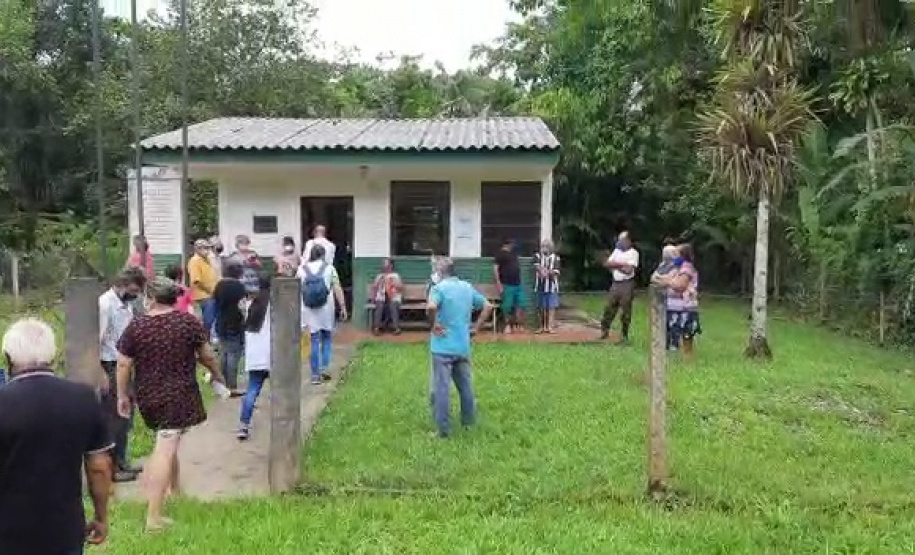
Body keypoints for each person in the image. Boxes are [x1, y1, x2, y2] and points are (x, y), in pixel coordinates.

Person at [116, 277, 227, 532]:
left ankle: (175, 492)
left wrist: (122, 395)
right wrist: (218, 377)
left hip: (148, 395)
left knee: (168, 439)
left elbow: (123, 363)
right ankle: (153, 517)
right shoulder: (188, 322)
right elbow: (207, 355)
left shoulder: (137, 326)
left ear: (151, 298)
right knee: (165, 449)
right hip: (179, 394)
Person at [0, 318, 113, 554]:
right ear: (53, 356)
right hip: (64, 527)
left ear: (8, 359)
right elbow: (99, 467)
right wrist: (101, 516)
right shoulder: (83, 399)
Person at [427, 257, 493, 438]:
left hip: (442, 347)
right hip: (462, 346)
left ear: (440, 272)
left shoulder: (438, 289)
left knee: (441, 389)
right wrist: (476, 328)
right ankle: (468, 423)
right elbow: (487, 306)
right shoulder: (466, 287)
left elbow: (431, 307)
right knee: (465, 387)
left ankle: (443, 430)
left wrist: (433, 325)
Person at [98, 267, 148, 483]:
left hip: (125, 364)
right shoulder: (106, 305)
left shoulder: (124, 305)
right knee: (116, 416)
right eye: (134, 289)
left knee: (126, 416)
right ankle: (114, 467)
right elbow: (97, 339)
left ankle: (122, 460)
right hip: (110, 364)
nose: (136, 294)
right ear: (123, 284)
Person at [298, 243, 347, 385]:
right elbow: (337, 287)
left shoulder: (302, 270)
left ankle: (314, 375)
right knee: (326, 337)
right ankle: (324, 368)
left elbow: (296, 289)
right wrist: (343, 306)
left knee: (313, 339)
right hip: (326, 308)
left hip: (307, 309)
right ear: (323, 255)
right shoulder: (329, 269)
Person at [237, 274, 272, 440]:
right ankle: (281, 423)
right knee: (280, 391)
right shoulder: (276, 306)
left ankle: (243, 425)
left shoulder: (252, 305)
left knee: (252, 390)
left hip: (255, 355)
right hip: (274, 354)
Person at [213, 262, 248, 396]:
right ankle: (232, 386)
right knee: (234, 354)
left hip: (221, 321)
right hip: (235, 322)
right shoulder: (239, 287)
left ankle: (221, 383)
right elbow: (242, 306)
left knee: (224, 353)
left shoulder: (219, 285)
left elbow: (215, 301)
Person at [661, 244, 701, 356]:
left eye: (676, 253)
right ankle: (675, 356)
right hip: (673, 306)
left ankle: (687, 358)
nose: (673, 256)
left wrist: (667, 281)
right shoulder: (675, 268)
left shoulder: (687, 268)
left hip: (685, 307)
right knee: (672, 332)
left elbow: (680, 286)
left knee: (686, 333)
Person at [600, 231, 639, 344]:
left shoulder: (633, 253)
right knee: (609, 307)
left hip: (627, 284)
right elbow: (606, 264)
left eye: (621, 239)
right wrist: (621, 265)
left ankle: (624, 334)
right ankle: (604, 330)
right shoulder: (617, 251)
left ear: (628, 241)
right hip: (615, 283)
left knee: (626, 309)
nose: (619, 242)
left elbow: (629, 271)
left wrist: (615, 264)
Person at [494, 237, 525, 334]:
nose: (512, 246)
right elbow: (495, 269)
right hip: (507, 284)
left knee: (521, 304)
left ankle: (518, 325)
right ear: (507, 244)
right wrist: (499, 284)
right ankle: (507, 325)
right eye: (511, 244)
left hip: (518, 283)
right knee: (507, 306)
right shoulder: (499, 254)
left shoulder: (513, 254)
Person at [187, 239, 219, 334]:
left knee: (210, 320)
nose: (207, 250)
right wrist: (210, 291)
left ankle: (207, 340)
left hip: (209, 295)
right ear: (197, 249)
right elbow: (197, 281)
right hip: (203, 296)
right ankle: (204, 340)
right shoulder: (195, 261)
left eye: (208, 248)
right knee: (207, 322)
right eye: (205, 248)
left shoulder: (206, 260)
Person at [533, 239, 561, 334]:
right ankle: (541, 326)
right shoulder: (537, 256)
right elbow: (536, 266)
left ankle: (550, 326)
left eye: (546, 246)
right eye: (543, 246)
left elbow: (556, 272)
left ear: (550, 248)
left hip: (552, 287)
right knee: (541, 307)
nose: (544, 248)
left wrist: (547, 272)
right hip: (540, 286)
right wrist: (542, 271)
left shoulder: (556, 258)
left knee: (551, 307)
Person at [371, 258, 403, 335]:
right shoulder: (379, 276)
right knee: (380, 305)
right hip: (381, 297)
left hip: (393, 297)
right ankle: (376, 328)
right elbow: (374, 287)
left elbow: (401, 288)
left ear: (391, 266)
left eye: (386, 264)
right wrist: (378, 282)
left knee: (393, 305)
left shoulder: (395, 275)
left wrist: (394, 283)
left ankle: (396, 328)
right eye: (384, 264)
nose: (385, 266)